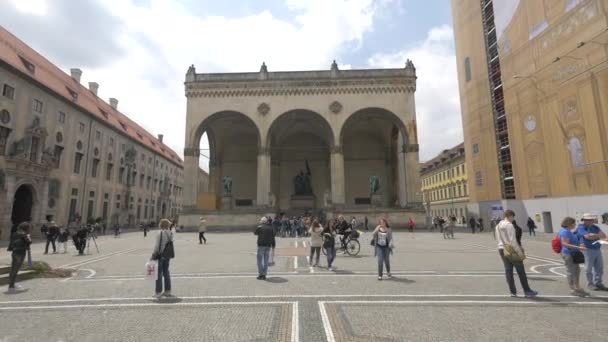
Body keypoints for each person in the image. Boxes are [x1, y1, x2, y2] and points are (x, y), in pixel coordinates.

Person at [495, 210, 537, 297]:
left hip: (501, 249)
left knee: (508, 271)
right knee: (521, 270)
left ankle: (512, 292)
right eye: (512, 217)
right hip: (511, 250)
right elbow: (513, 241)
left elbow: (497, 238)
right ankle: (527, 291)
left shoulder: (498, 226)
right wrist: (520, 253)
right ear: (510, 216)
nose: (513, 219)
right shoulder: (510, 225)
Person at [576, 213, 607, 291]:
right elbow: (587, 236)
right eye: (589, 220)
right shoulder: (581, 227)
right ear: (584, 220)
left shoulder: (595, 227)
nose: (591, 221)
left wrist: (594, 235)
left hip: (597, 249)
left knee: (599, 268)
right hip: (587, 250)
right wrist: (597, 235)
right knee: (588, 268)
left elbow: (604, 236)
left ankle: (598, 283)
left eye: (592, 220)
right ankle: (590, 284)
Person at [559, 217, 589, 296]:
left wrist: (580, 244)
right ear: (569, 224)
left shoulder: (569, 231)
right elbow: (564, 244)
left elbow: (573, 241)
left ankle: (577, 287)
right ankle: (572, 289)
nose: (575, 225)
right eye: (574, 223)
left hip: (573, 253)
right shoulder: (565, 232)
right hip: (568, 254)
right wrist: (579, 247)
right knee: (571, 272)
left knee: (577, 270)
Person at [151, 219, 174, 299]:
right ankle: (168, 291)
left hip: (160, 255)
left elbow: (157, 245)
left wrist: (153, 255)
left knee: (159, 274)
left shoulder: (160, 233)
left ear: (161, 224)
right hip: (168, 255)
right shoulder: (170, 233)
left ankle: (158, 292)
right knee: (166, 272)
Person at [7, 222, 32, 293]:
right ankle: (11, 287)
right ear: (26, 228)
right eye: (28, 228)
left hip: (15, 252)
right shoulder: (24, 234)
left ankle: (12, 285)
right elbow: (29, 242)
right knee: (15, 270)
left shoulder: (14, 233)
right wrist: (28, 236)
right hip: (21, 252)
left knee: (13, 269)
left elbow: (11, 243)